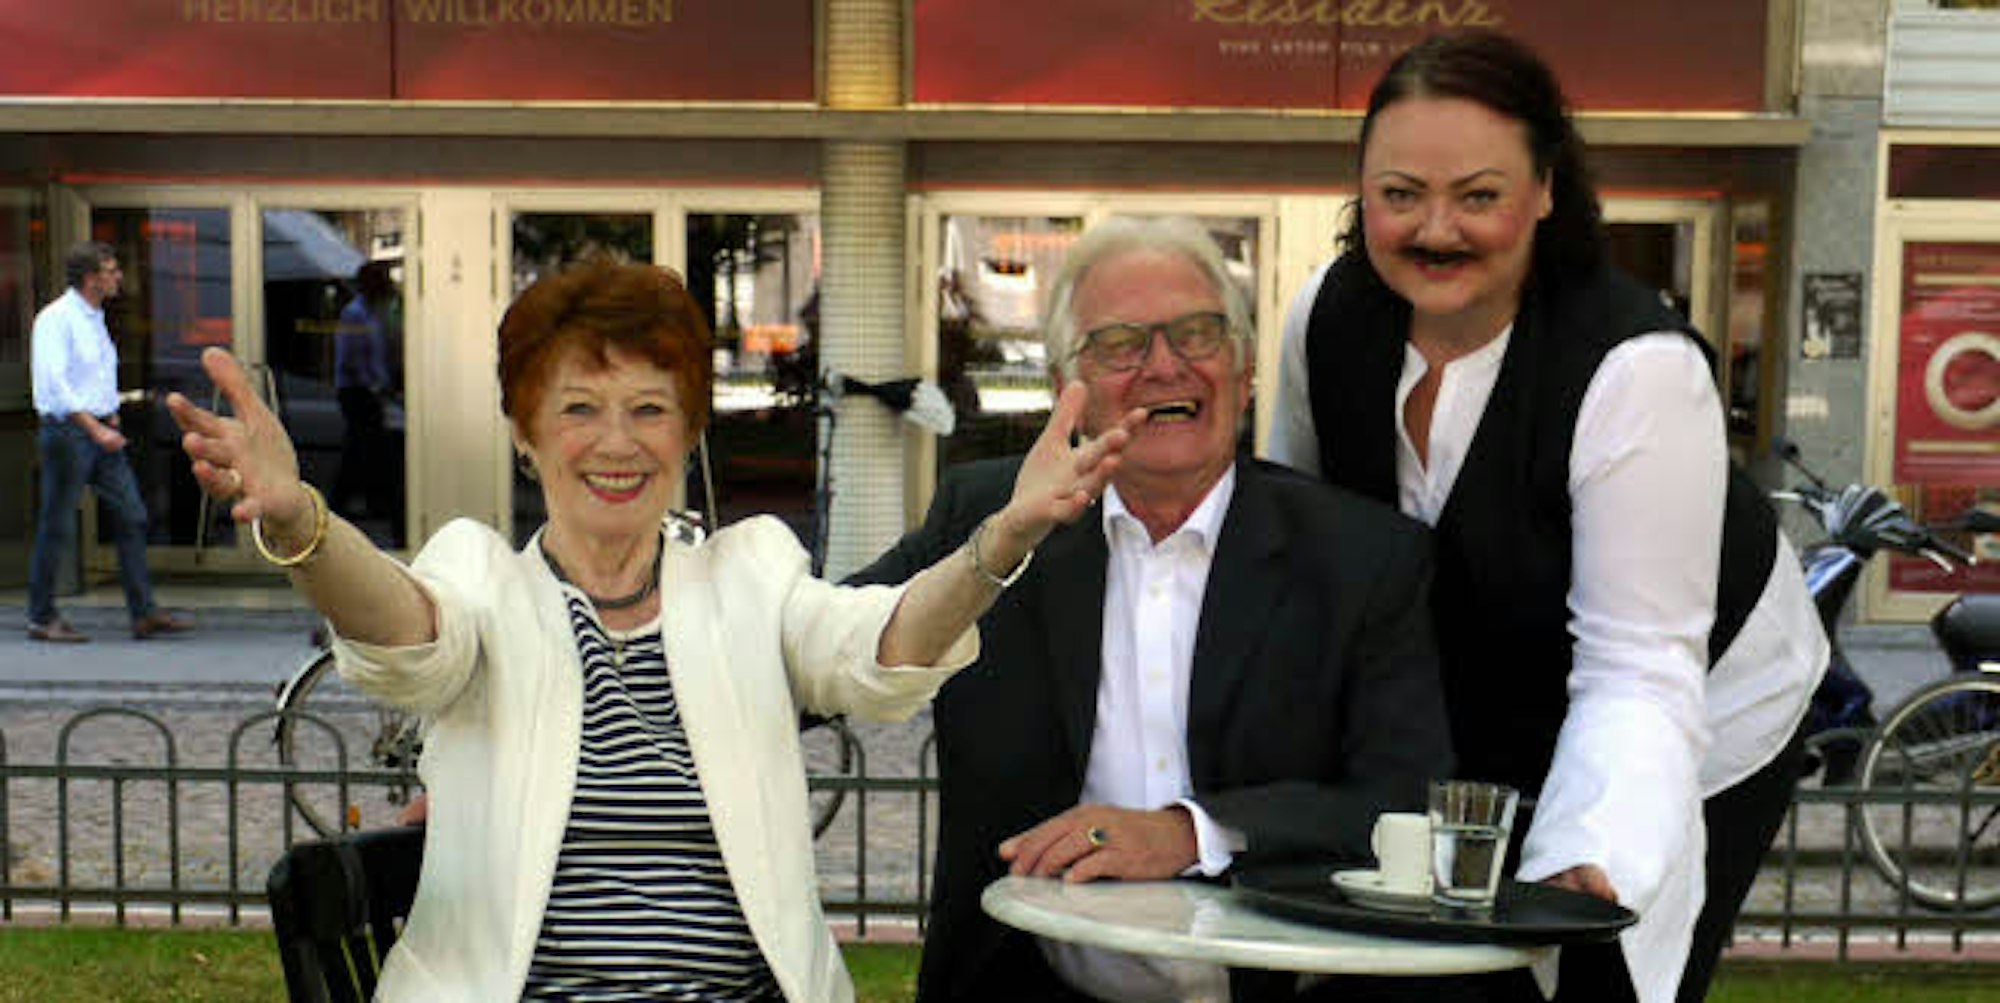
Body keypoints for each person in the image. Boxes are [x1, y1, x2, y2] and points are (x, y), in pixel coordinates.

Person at [166, 261, 1139, 1002]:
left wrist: (1003, 536)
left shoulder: (750, 575)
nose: (617, 441)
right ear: (525, 431)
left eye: (649, 409)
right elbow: (410, 633)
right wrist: (299, 521)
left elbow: (879, 647)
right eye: (578, 408)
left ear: (688, 431)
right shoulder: (481, 576)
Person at [1267, 30, 1828, 1003]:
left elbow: (1639, 664)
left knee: (1586, 949)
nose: (1435, 229)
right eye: (1400, 194)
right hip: (1478, 681)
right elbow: (1294, 551)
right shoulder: (1326, 317)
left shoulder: (1636, 369)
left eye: (1477, 196)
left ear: (1545, 191)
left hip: (1688, 696)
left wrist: (1585, 850)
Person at [850, 217, 1453, 1003]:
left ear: (1244, 370)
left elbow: (1405, 801)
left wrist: (1190, 832)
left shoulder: (1361, 555)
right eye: (1120, 344)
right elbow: (824, 643)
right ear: (1065, 389)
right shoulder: (991, 517)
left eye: (1198, 333)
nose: (1165, 366)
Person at [27, 241, 192, 643]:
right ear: (90, 278)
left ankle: (143, 612)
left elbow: (93, 374)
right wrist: (95, 427)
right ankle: (41, 616)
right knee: (57, 524)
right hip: (70, 432)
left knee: (132, 515)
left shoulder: (95, 317)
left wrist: (110, 413)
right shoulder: (57, 319)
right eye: (111, 270)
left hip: (99, 429)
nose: (119, 276)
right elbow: (55, 383)